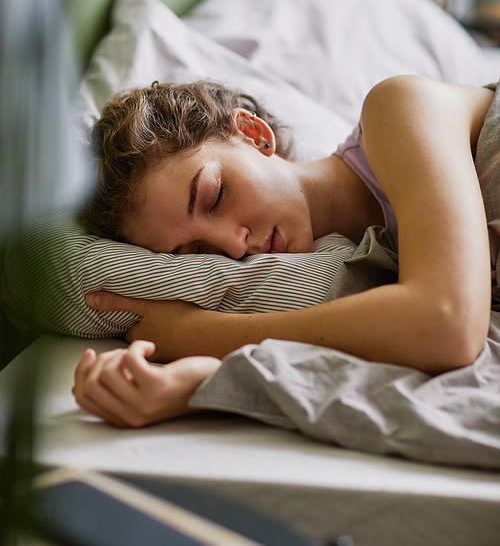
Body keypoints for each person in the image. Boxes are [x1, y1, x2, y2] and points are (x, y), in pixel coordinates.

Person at [73, 76, 495, 428]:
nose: (234, 245)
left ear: (253, 135)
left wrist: (193, 336)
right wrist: (205, 382)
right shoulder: (369, 271)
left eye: (215, 196)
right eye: (197, 251)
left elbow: (446, 324)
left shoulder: (398, 107)